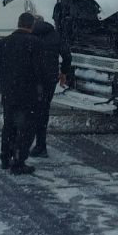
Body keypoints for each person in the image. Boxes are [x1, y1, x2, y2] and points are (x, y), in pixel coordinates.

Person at [0, 12, 45, 175]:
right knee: (26, 128)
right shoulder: (36, 43)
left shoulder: (4, 43)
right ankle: (19, 161)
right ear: (31, 26)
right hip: (27, 94)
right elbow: (39, 70)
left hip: (9, 92)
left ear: (18, 23)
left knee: (9, 125)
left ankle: (5, 158)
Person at [29, 16, 73, 158]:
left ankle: (27, 144)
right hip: (49, 79)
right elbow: (67, 55)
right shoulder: (55, 35)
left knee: (30, 111)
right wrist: (64, 72)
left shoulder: (30, 35)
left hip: (33, 79)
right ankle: (41, 145)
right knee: (43, 111)